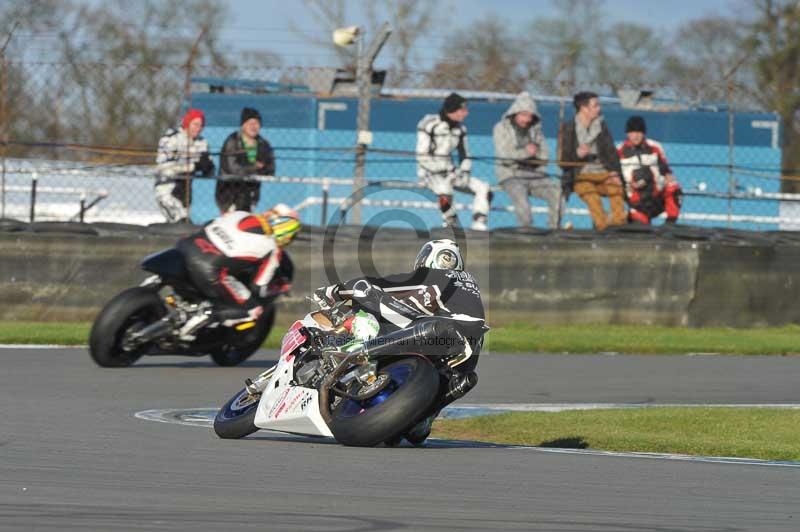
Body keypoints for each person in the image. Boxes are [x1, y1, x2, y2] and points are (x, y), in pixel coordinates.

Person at [313, 238, 485, 445]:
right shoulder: (465, 286)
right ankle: (424, 417)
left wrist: (334, 291)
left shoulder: (440, 275)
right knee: (416, 433)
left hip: (436, 330)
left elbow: (386, 285)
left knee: (365, 291)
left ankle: (348, 349)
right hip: (466, 352)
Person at [174, 203, 300, 340]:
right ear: (286, 230)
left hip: (185, 246)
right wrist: (278, 288)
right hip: (208, 269)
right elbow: (259, 286)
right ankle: (205, 317)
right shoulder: (273, 249)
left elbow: (208, 223)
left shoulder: (240, 213)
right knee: (253, 310)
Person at [416, 93, 493, 231]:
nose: (466, 113)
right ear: (451, 109)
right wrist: (441, 169)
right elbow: (421, 155)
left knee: (483, 188)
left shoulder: (460, 130)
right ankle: (450, 222)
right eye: (462, 110)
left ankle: (479, 223)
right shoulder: (429, 124)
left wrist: (464, 171)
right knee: (444, 189)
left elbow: (465, 155)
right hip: (429, 173)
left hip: (451, 172)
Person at [493, 91, 564, 229]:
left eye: (530, 116)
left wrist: (536, 154)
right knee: (522, 201)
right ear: (515, 113)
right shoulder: (501, 128)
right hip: (511, 174)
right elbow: (504, 156)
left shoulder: (536, 130)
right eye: (524, 115)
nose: (527, 119)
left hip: (535, 175)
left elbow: (544, 155)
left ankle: (554, 230)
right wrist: (526, 152)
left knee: (558, 192)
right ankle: (526, 231)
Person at [559, 91, 625, 231]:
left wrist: (614, 173)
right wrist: (577, 154)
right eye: (595, 105)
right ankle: (603, 229)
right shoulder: (568, 128)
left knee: (616, 190)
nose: (599, 108)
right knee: (591, 196)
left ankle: (619, 227)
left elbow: (611, 152)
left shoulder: (602, 126)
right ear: (583, 108)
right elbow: (562, 161)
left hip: (602, 172)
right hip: (580, 174)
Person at [617, 116, 682, 224]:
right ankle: (634, 217)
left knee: (673, 186)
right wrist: (629, 184)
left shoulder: (655, 147)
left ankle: (670, 224)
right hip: (636, 198)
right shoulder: (619, 151)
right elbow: (615, 175)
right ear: (627, 134)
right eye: (632, 132)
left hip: (656, 195)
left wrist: (667, 175)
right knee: (642, 230)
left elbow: (664, 168)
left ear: (644, 133)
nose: (636, 136)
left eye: (639, 132)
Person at [155, 108, 215, 223]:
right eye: (195, 124)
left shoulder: (202, 142)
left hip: (186, 191)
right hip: (167, 189)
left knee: (180, 224)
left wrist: (208, 168)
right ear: (187, 123)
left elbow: (208, 167)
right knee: (180, 221)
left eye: (201, 125)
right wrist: (193, 167)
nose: (198, 128)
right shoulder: (171, 139)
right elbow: (163, 168)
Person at [217, 107, 276, 213]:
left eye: (257, 123)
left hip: (251, 193)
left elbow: (270, 169)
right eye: (250, 123)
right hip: (229, 194)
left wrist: (255, 169)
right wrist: (255, 167)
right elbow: (232, 169)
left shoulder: (263, 144)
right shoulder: (232, 141)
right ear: (243, 125)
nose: (254, 127)